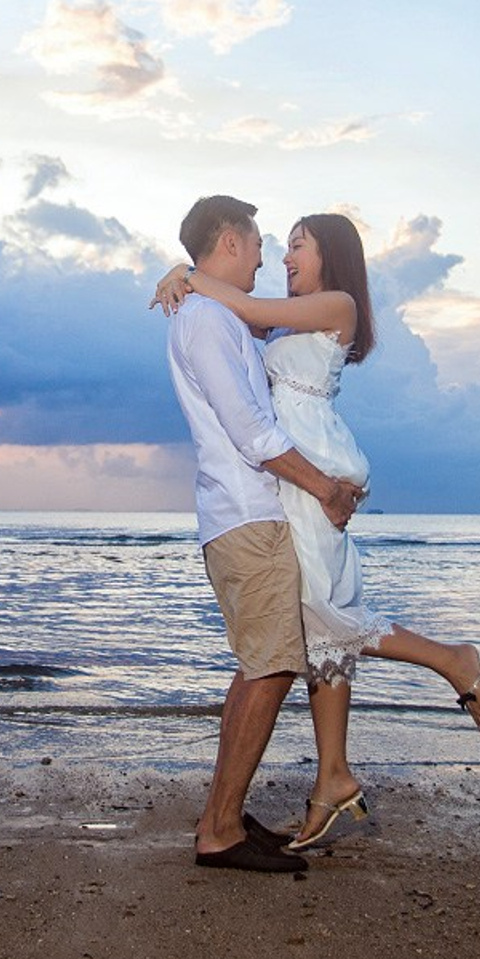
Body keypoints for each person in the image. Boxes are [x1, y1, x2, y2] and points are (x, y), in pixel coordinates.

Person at [153, 212, 480, 850]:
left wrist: (188, 274)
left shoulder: (334, 304)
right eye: (276, 245)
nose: (281, 257)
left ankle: (454, 659)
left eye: (297, 246)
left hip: (312, 477)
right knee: (321, 629)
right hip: (294, 480)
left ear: (330, 255)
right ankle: (333, 776)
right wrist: (192, 276)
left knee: (326, 617)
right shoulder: (284, 317)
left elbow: (245, 310)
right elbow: (247, 330)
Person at [161, 195, 365, 872]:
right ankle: (219, 830)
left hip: (247, 515)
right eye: (256, 244)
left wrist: (183, 273)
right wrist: (323, 487)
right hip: (247, 514)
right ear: (228, 243)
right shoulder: (210, 321)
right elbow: (253, 432)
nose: (265, 256)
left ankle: (223, 816)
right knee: (274, 668)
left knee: (260, 667)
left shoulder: (219, 316)